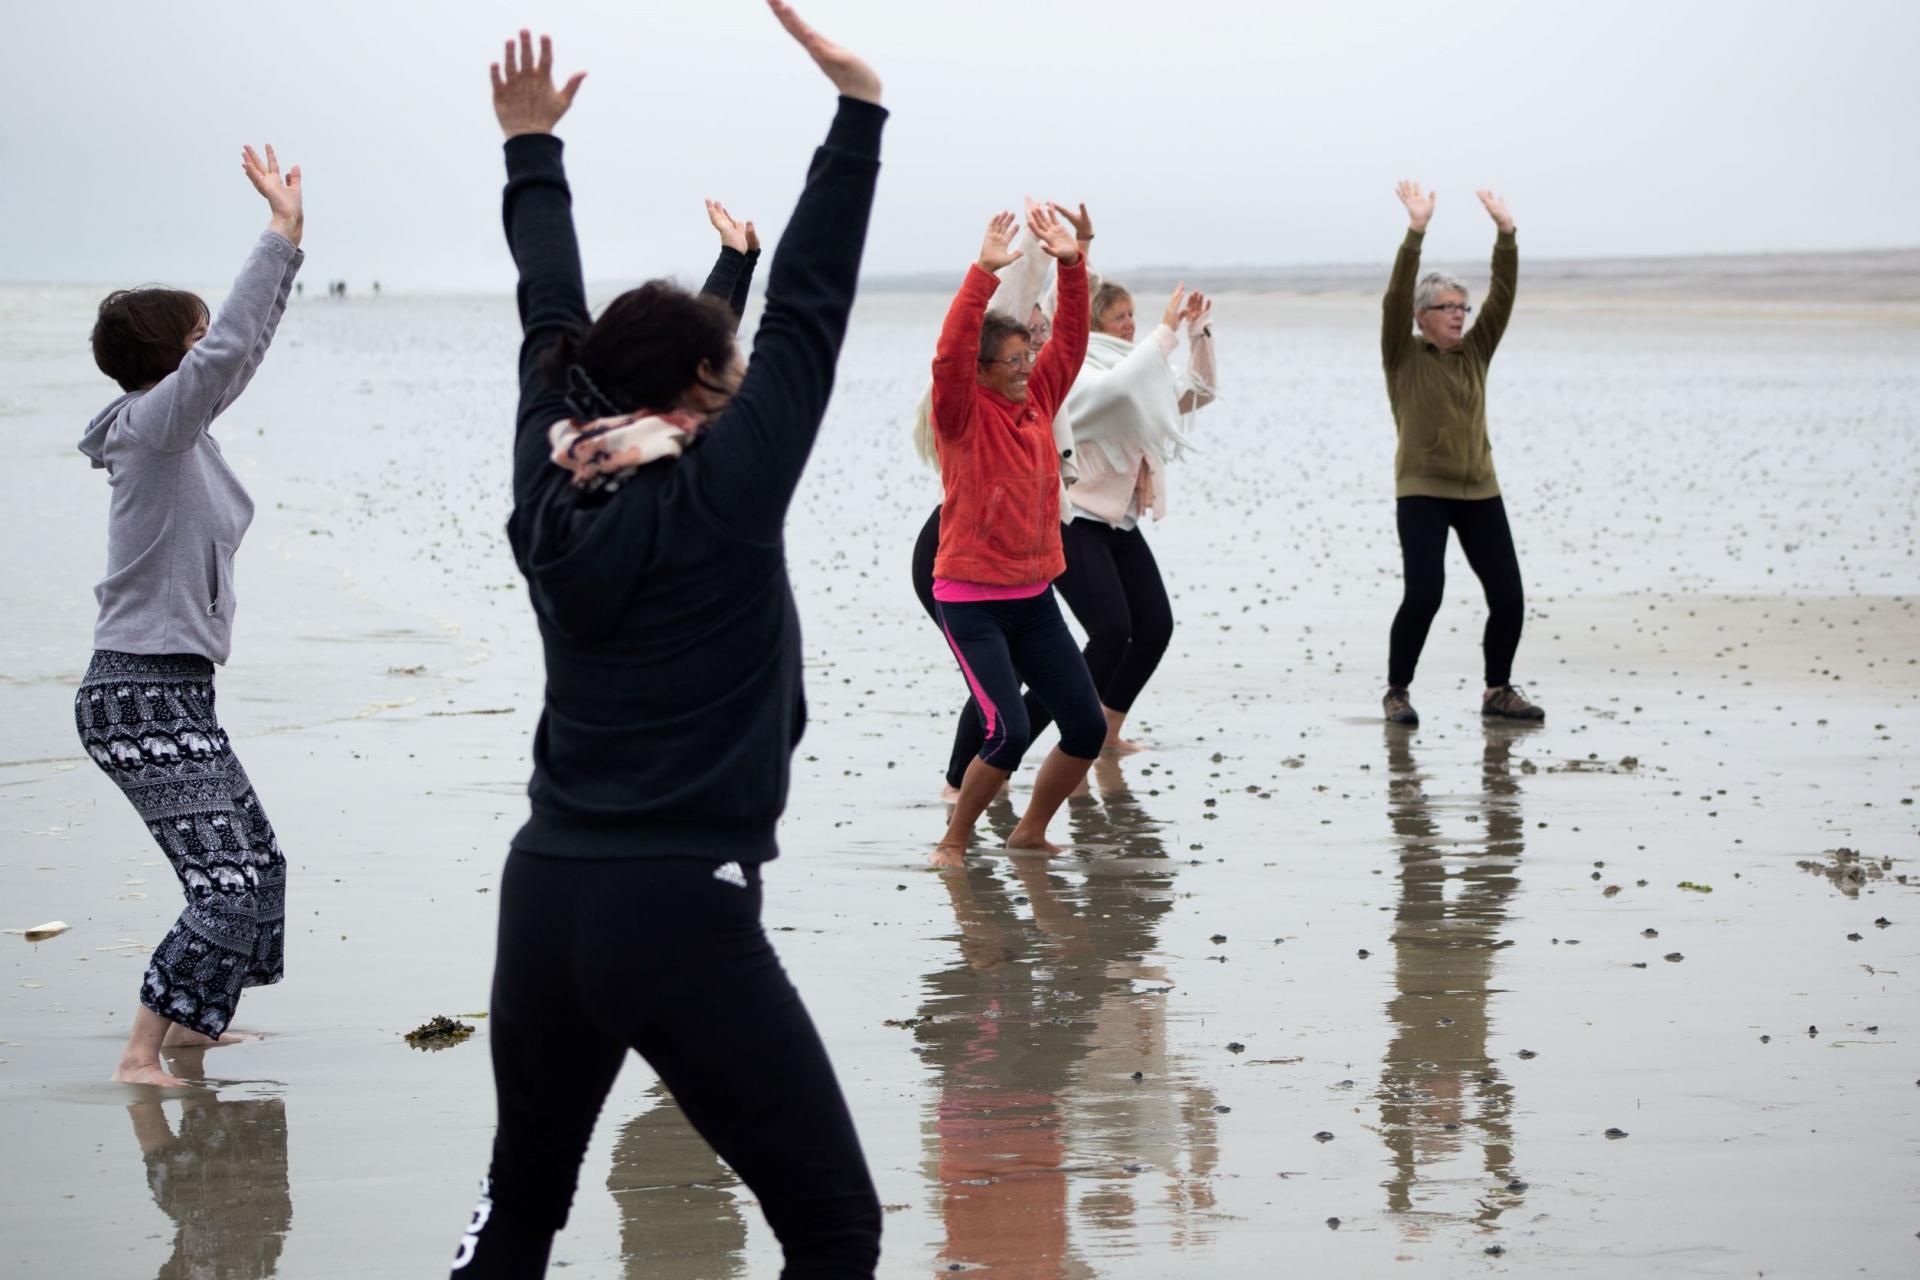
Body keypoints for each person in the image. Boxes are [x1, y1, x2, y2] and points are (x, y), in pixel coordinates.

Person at [449, 8, 886, 1276]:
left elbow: (547, 315)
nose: (751, 380)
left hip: (544, 894)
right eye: (731, 370)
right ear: (698, 389)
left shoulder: (551, 480)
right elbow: (810, 306)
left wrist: (531, 150)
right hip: (678, 908)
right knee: (835, 1231)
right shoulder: (725, 489)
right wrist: (857, 114)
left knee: (522, 1211)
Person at [74, 144, 304, 1089]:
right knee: (226, 884)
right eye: (197, 336)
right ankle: (141, 1055)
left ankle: (196, 1029)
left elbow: (237, 351)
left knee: (260, 864)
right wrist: (278, 235)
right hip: (137, 696)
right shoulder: (153, 429)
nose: (215, 346)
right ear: (172, 357)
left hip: (175, 691)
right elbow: (226, 351)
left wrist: (288, 250)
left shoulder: (177, 432)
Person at [927, 206, 1103, 861]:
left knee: (1085, 727)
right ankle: (954, 840)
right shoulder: (961, 414)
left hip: (1033, 598)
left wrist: (1071, 263)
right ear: (981, 369)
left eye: (1028, 357)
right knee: (1008, 730)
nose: (1027, 368)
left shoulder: (1038, 401)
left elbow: (1073, 341)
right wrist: (982, 276)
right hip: (971, 601)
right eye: (1010, 361)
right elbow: (949, 353)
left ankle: (1030, 830)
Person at [1380, 180, 1543, 725]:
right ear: (1422, 314)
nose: (1458, 315)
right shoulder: (1402, 353)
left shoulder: (1476, 351)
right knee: (1425, 594)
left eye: (1462, 307)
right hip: (1423, 490)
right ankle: (1397, 692)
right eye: (1446, 307)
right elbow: (1395, 294)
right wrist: (1416, 231)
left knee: (1510, 596)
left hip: (1480, 490)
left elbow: (1504, 295)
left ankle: (1498, 691)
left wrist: (1507, 233)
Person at [1055, 274, 1218, 752]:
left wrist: (1197, 333)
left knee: (1154, 628)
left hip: (1120, 521)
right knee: (1111, 631)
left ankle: (1105, 731)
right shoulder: (1080, 367)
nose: (1129, 325)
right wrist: (1164, 332)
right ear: (1094, 324)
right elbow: (1119, 393)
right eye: (1118, 317)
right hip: (1078, 518)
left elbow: (1198, 393)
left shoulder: (1138, 364)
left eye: (1132, 316)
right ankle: (1066, 730)